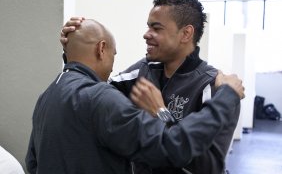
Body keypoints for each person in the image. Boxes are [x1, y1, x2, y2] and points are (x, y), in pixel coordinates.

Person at [55, 18, 243, 174]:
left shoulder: (216, 86)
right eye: (148, 26)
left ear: (185, 34)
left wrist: (161, 113)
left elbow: (208, 167)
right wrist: (74, 52)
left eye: (156, 28)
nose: (146, 34)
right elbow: (93, 94)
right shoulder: (141, 71)